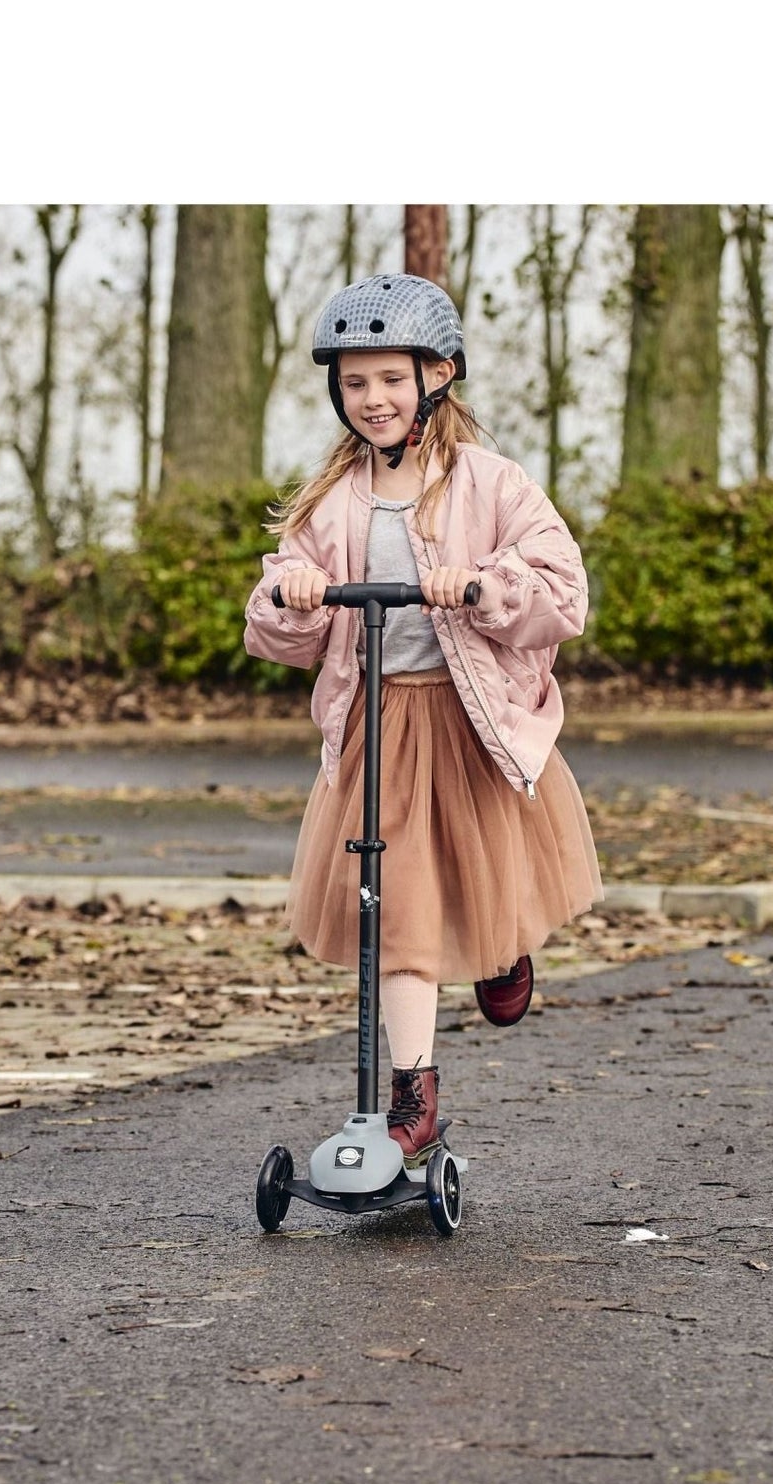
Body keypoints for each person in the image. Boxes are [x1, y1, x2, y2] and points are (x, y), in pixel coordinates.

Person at [244, 273, 602, 1166]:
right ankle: (414, 1095)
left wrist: (485, 588)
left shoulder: (493, 483)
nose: (373, 399)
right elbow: (281, 630)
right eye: (355, 383)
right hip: (383, 727)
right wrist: (291, 596)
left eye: (391, 380)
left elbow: (564, 597)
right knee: (394, 910)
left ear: (436, 374)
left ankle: (501, 946)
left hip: (476, 723)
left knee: (487, 878)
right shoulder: (332, 501)